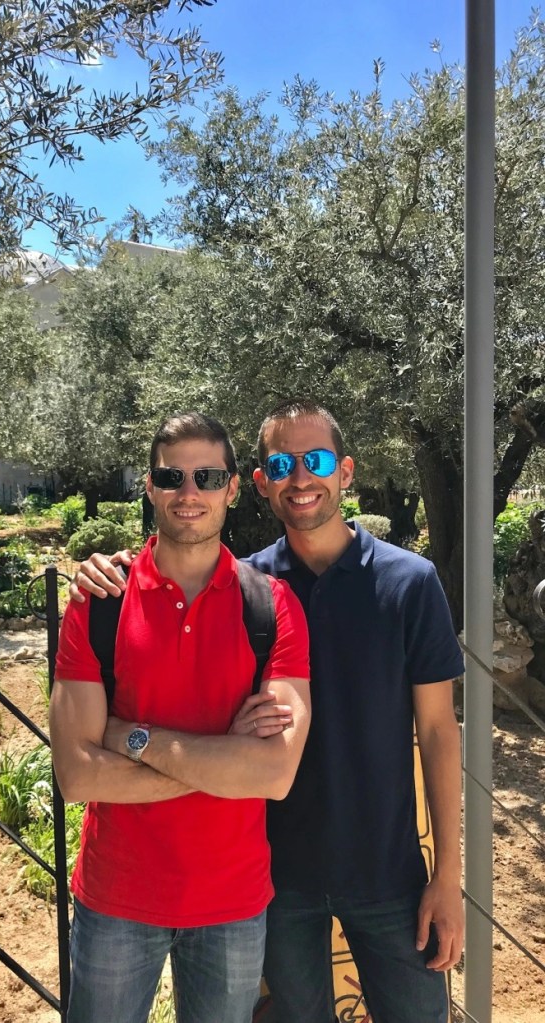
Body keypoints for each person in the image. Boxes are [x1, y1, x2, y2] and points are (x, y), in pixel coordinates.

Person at [71, 399, 465, 1023]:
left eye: (317, 461)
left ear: (346, 471)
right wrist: (107, 572)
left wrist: (448, 877)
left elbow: (439, 732)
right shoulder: (252, 587)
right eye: (281, 464)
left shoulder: (408, 582)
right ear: (258, 483)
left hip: (388, 873)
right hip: (280, 880)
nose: (300, 478)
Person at [49, 411, 311, 1023]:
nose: (188, 492)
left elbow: (273, 775)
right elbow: (78, 777)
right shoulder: (99, 603)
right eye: (171, 477)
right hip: (117, 898)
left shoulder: (271, 607)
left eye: (206, 477)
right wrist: (224, 763)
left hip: (231, 904)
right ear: (150, 486)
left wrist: (131, 737)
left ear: (232, 488)